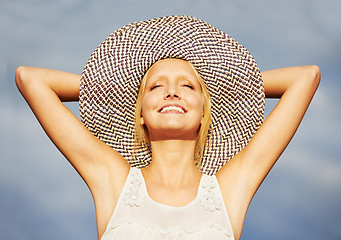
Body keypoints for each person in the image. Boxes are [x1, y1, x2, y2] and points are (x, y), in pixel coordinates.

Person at [15, 16, 320, 240]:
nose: (172, 92)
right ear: (140, 114)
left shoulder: (229, 190)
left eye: (186, 86)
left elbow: (306, 77)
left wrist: (216, 90)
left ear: (205, 112)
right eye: (156, 86)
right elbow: (29, 78)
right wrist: (120, 90)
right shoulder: (112, 180)